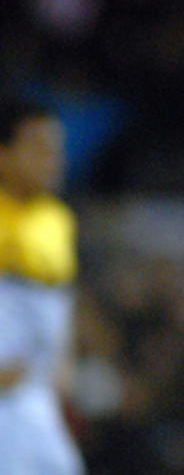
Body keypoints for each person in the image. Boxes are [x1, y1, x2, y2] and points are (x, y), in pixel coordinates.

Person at [0, 99, 85, 474]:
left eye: (57, 149)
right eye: (37, 147)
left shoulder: (57, 221)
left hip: (34, 396)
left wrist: (64, 359)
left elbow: (60, 302)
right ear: (3, 155)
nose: (53, 159)